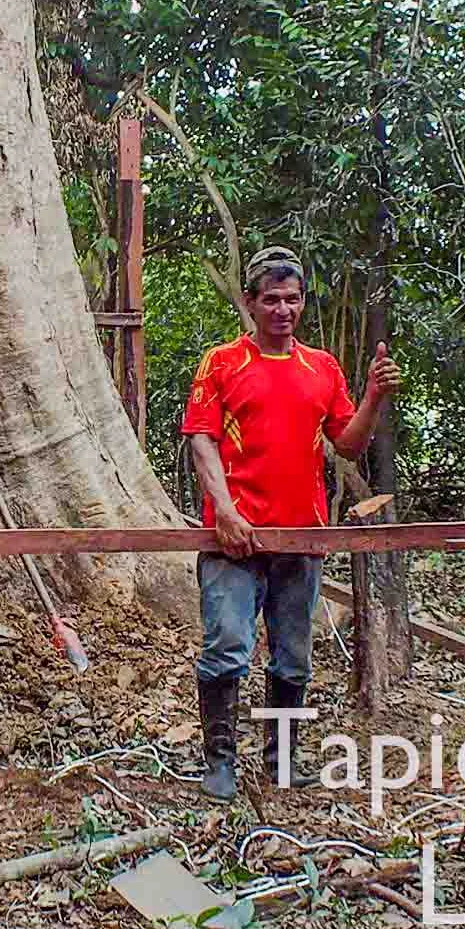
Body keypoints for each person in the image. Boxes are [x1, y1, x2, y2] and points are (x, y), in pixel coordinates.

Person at [180, 246, 400, 802]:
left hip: (302, 535)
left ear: (302, 304)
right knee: (228, 642)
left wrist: (373, 397)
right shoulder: (222, 362)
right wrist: (224, 510)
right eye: (271, 299)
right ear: (251, 303)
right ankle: (220, 761)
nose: (283, 309)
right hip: (234, 537)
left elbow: (347, 444)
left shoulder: (321, 368)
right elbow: (201, 436)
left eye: (292, 299)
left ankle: (283, 758)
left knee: (293, 652)